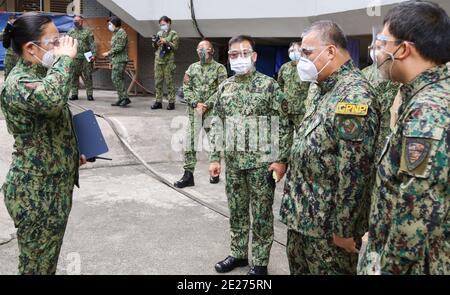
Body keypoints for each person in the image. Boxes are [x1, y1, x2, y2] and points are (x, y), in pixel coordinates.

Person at [279, 21, 379, 275]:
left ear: (331, 52)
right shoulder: (323, 89)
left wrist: (344, 230)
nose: (302, 59)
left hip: (328, 233)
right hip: (303, 221)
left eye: (307, 52)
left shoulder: (354, 96)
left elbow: (355, 171)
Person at [359, 0, 449, 275]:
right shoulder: (428, 95)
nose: (378, 50)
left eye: (383, 42)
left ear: (403, 49)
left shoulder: (427, 113)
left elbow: (416, 210)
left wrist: (387, 268)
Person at [0, 13, 87, 275]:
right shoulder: (18, 82)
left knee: (47, 261)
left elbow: (49, 126)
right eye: (54, 41)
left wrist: (70, 151)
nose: (60, 46)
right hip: (35, 193)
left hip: (53, 185)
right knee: (35, 266)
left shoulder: (43, 73)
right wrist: (64, 60)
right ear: (31, 48)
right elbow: (50, 101)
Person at [209, 35, 290, 275]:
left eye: (243, 54)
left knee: (262, 215)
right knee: (237, 210)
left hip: (261, 165)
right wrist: (215, 158)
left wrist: (281, 159)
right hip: (234, 164)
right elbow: (217, 124)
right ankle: (238, 254)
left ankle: (260, 263)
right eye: (233, 55)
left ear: (254, 57)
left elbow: (284, 124)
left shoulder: (269, 86)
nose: (238, 59)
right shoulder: (224, 87)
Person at [174, 39, 227, 188]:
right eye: (199, 49)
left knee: (214, 142)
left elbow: (221, 90)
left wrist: (207, 105)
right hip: (194, 112)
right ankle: (188, 175)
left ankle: (214, 171)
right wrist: (196, 103)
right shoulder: (192, 68)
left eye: (205, 49)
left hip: (212, 112)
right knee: (190, 142)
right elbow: (186, 88)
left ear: (212, 51)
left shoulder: (220, 69)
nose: (202, 51)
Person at [277, 41, 310, 131]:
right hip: (286, 109)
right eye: (290, 51)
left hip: (302, 110)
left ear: (301, 51)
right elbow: (279, 84)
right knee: (285, 136)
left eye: (295, 50)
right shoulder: (284, 67)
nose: (292, 53)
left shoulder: (308, 67)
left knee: (303, 134)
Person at [151, 16, 179, 111]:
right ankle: (158, 101)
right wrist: (155, 42)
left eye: (164, 24)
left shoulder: (173, 34)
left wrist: (166, 41)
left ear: (169, 23)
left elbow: (175, 47)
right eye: (161, 25)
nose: (162, 26)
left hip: (168, 61)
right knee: (158, 82)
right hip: (158, 60)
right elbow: (154, 46)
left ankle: (171, 102)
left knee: (169, 82)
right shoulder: (159, 33)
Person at [102, 16, 131, 107]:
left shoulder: (121, 32)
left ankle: (125, 98)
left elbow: (119, 47)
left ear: (115, 24)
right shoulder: (115, 33)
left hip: (120, 60)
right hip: (116, 60)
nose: (109, 25)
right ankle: (121, 98)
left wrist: (108, 53)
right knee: (118, 79)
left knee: (116, 78)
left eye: (110, 24)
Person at [68, 15, 97, 102]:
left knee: (88, 75)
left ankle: (89, 94)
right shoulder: (70, 32)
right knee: (74, 76)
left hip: (86, 56)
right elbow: (68, 44)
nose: (76, 22)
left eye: (77, 21)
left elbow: (92, 44)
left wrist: (93, 55)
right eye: (74, 21)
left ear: (82, 21)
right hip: (75, 57)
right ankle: (74, 94)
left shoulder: (88, 32)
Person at [1, 14, 19, 80]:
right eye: (11, 20)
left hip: (18, 56)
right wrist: (7, 31)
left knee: (18, 74)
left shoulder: (19, 29)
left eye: (14, 20)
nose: (13, 22)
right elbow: (2, 37)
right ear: (9, 20)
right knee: (8, 73)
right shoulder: (6, 29)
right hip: (10, 55)